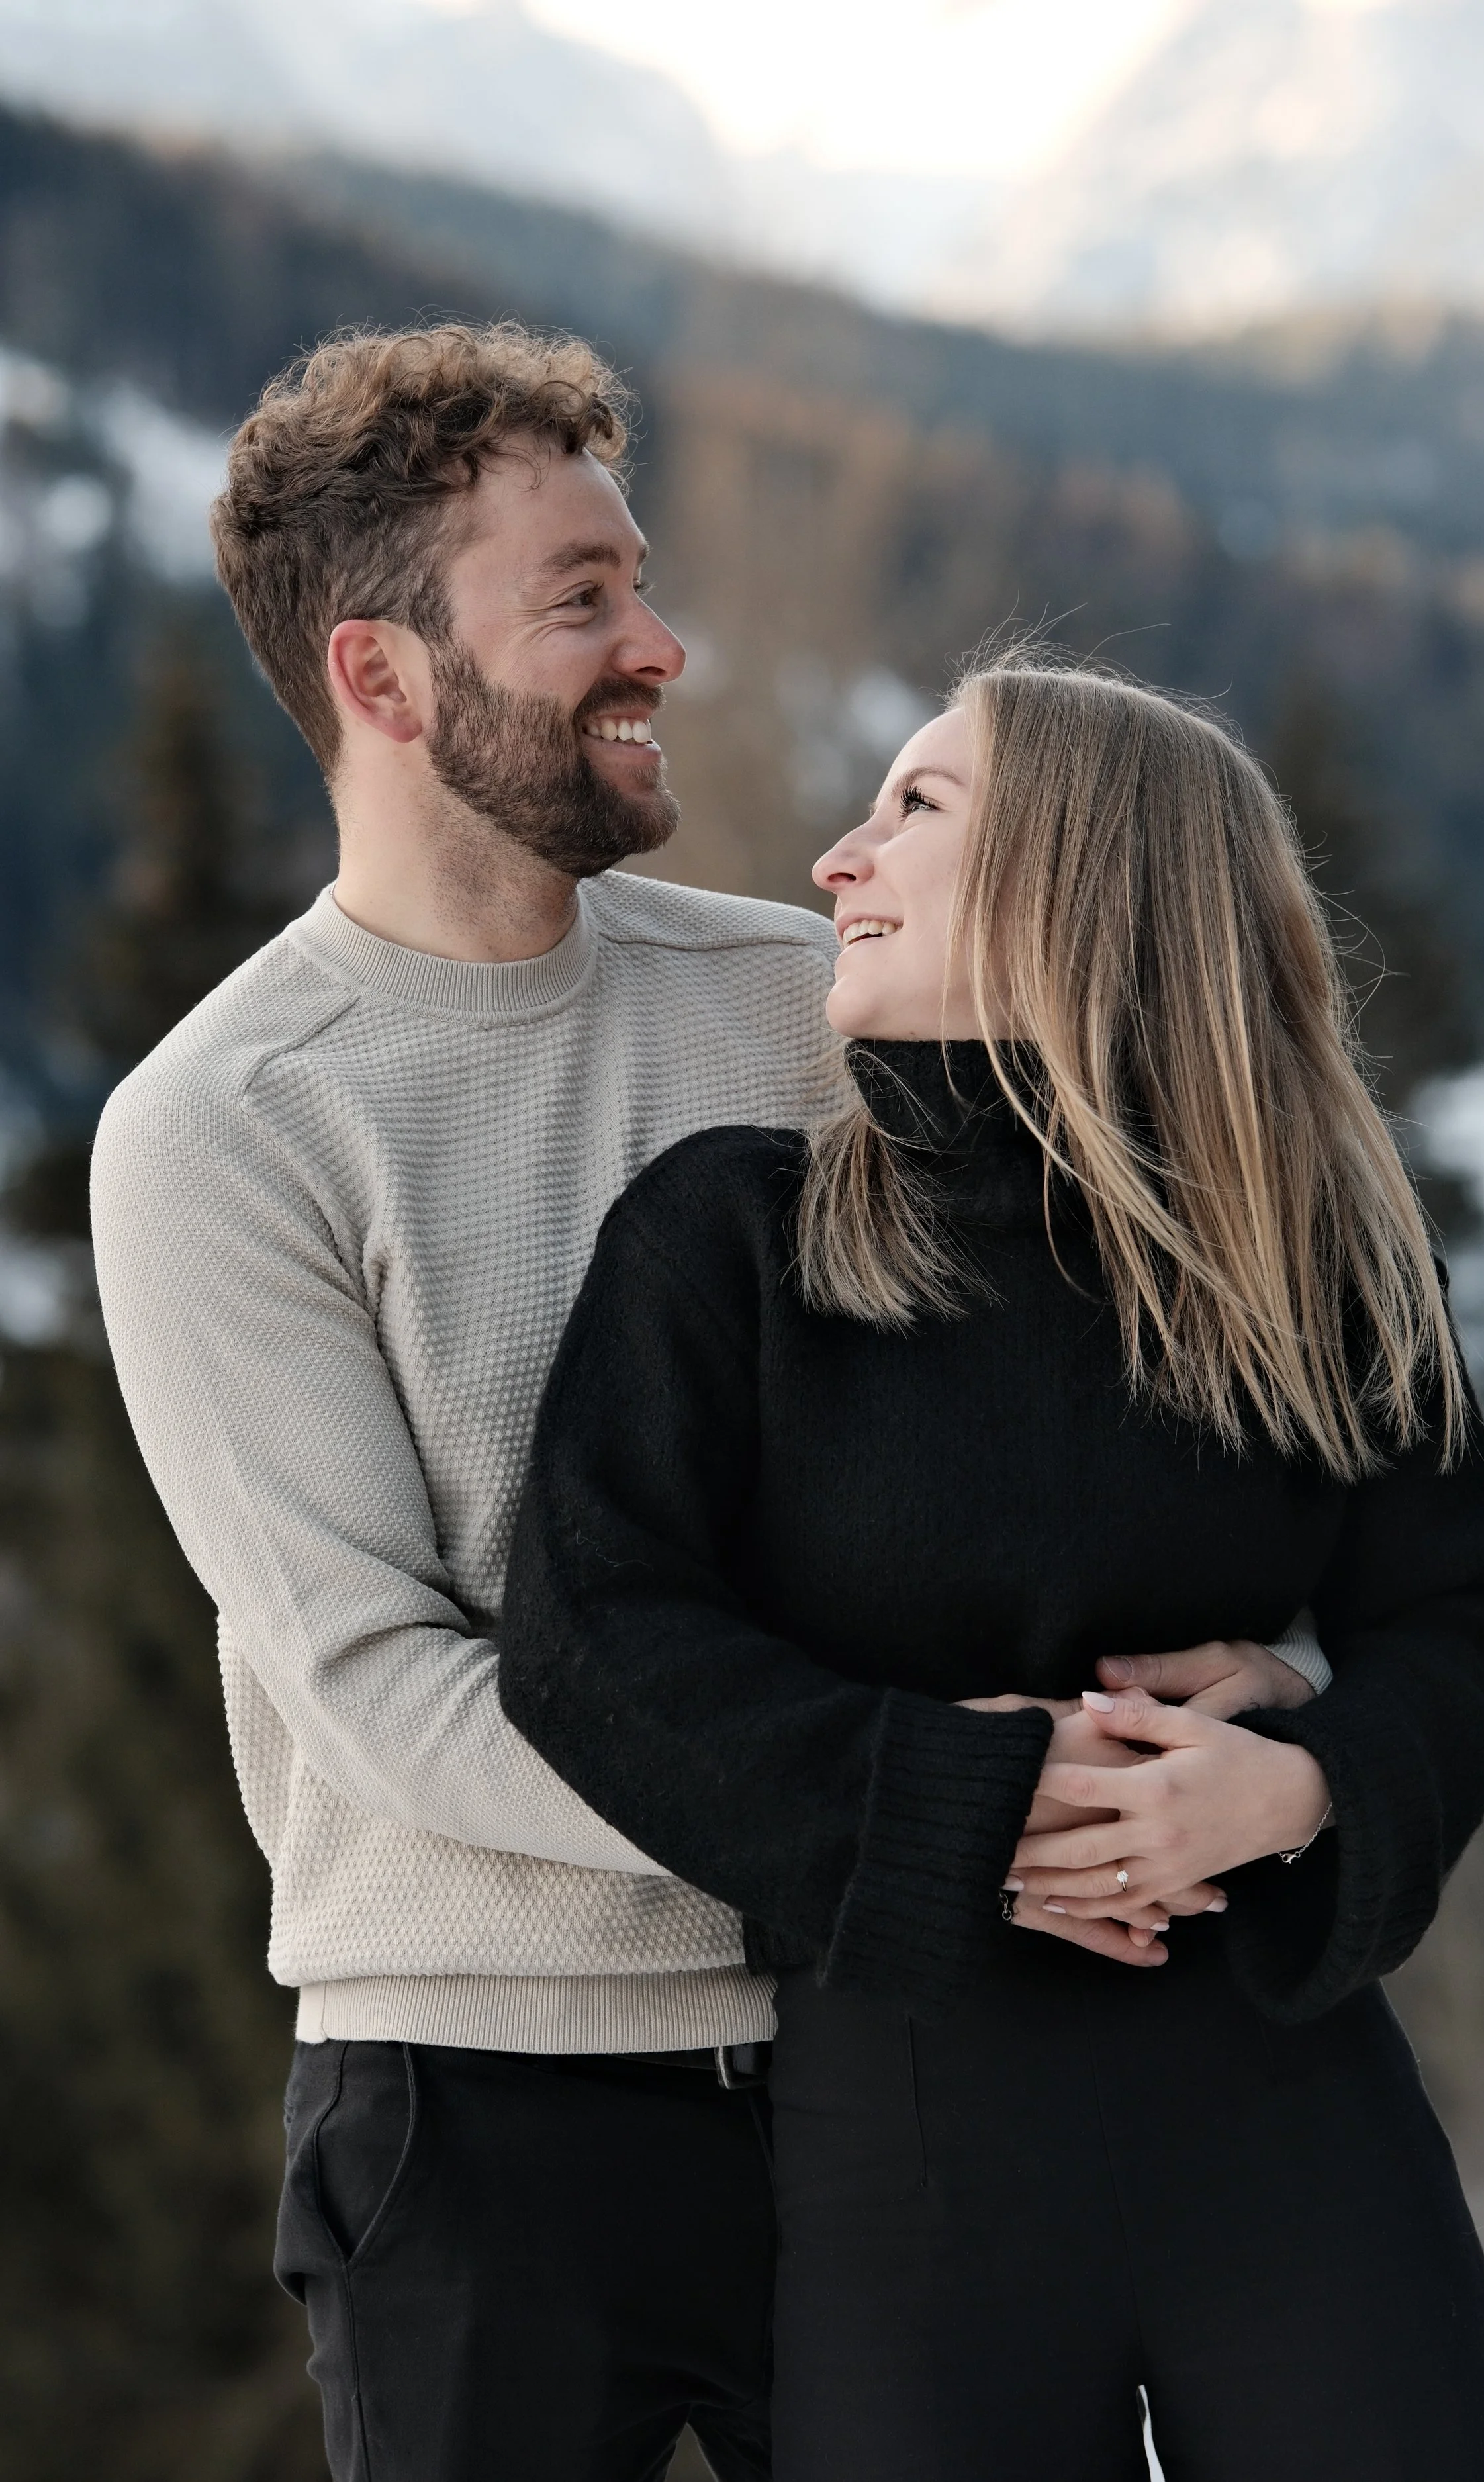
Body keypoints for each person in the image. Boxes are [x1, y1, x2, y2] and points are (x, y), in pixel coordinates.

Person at [498, 664, 1484, 2482]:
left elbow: (1457, 1625)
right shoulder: (729, 1237)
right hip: (910, 2132)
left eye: (914, 805)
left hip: (1285, 2095)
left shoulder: (1313, 1255)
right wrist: (956, 1806)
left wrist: (1297, 1783)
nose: (836, 859)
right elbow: (588, 1637)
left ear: (1086, 867)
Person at [90, 320, 850, 2482]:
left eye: (640, 578)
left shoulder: (798, 1003)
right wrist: (886, 1813)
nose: (663, 644)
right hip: (475, 2113)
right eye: (582, 599)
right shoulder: (224, 1126)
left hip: (869, 2070)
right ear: (383, 675)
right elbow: (383, 1686)